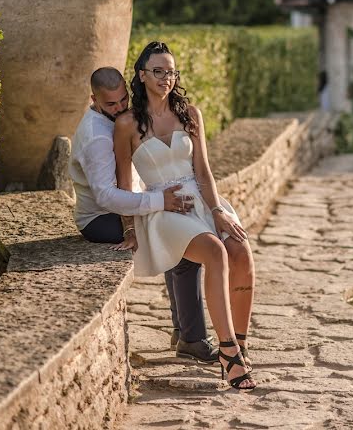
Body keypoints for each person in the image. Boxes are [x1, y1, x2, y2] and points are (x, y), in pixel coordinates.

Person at [113, 41, 256, 390]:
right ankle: (227, 354)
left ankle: (240, 342)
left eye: (171, 72)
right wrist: (129, 228)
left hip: (202, 199)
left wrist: (219, 210)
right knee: (214, 252)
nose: (166, 78)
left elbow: (204, 172)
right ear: (142, 74)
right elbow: (122, 185)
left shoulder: (190, 114)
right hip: (163, 209)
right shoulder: (127, 124)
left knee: (240, 251)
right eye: (158, 71)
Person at [69, 67, 217, 363]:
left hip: (129, 205)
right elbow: (107, 197)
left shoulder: (124, 118)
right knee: (184, 241)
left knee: (181, 231)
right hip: (101, 219)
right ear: (93, 99)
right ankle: (191, 337)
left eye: (123, 99)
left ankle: (185, 331)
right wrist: (158, 203)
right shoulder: (97, 138)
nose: (121, 107)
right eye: (111, 104)